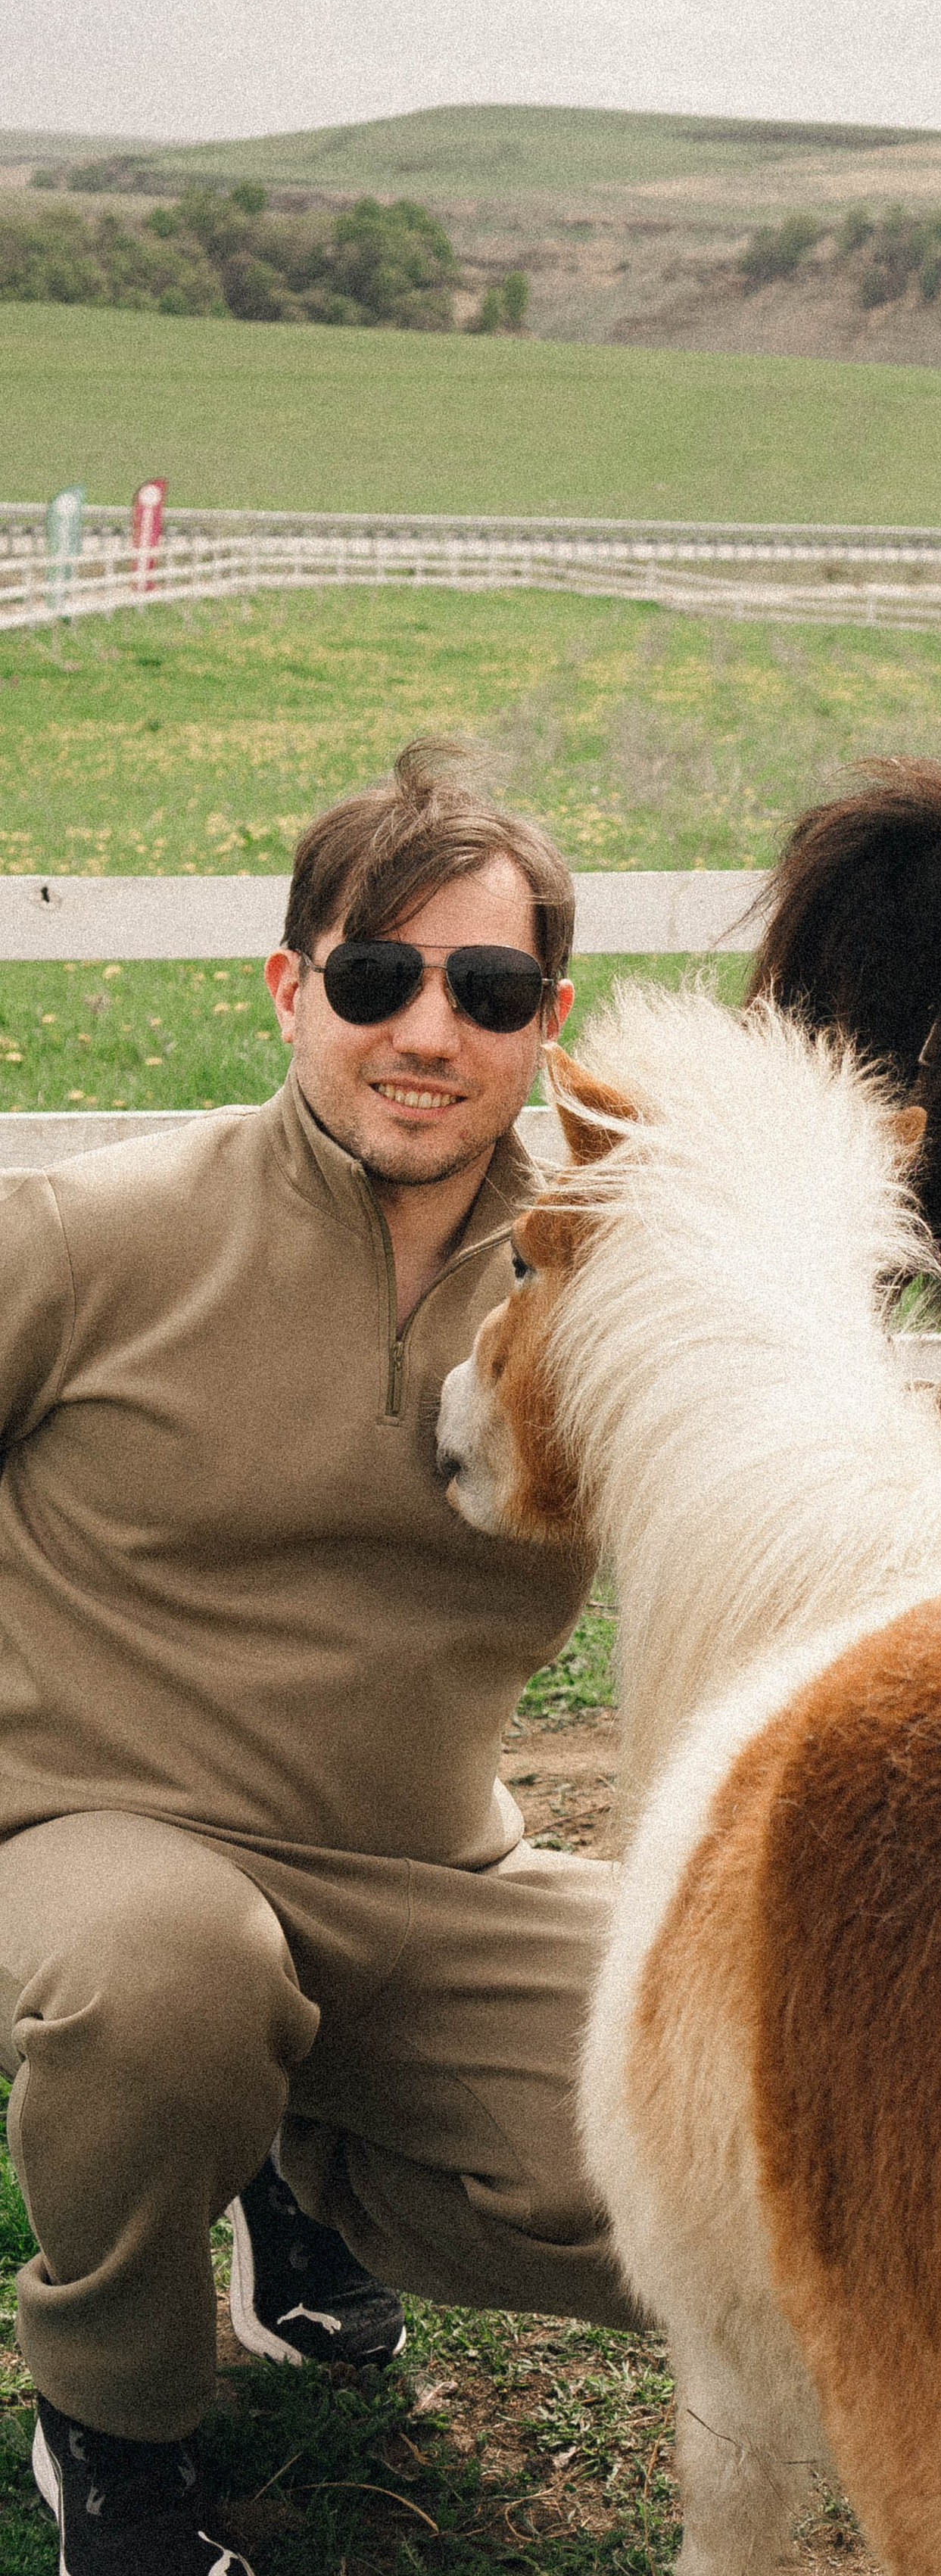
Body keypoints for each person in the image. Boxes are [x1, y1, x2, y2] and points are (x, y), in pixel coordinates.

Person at [0, 743, 642, 2576]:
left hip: (431, 1880)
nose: (427, 1031)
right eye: (377, 976)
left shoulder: (608, 1285)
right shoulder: (95, 1234)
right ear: (292, 990)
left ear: (545, 1023)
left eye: (488, 989)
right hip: (96, 1852)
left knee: (745, 2120)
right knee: (169, 1973)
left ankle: (291, 2166)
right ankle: (115, 2438)